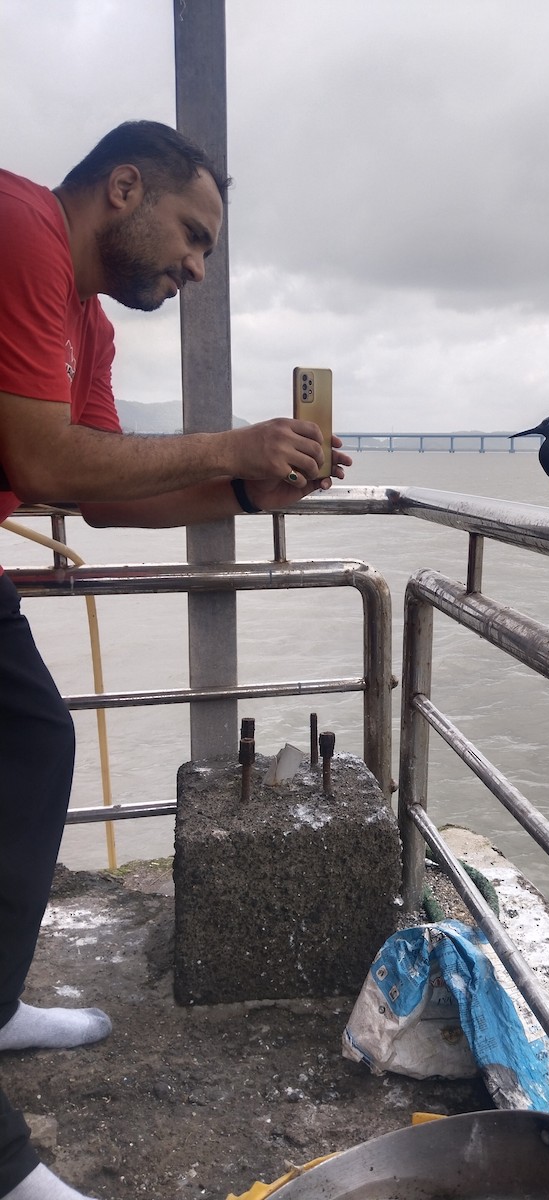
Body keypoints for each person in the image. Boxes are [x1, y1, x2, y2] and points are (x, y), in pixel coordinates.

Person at [0, 120, 352, 1200]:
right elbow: (37, 452)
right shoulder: (17, 227)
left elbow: (96, 492)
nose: (196, 268)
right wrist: (227, 443)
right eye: (192, 236)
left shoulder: (87, 328)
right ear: (121, 189)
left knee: (31, 748)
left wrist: (248, 490)